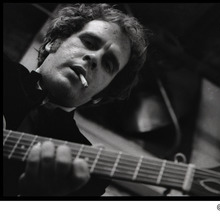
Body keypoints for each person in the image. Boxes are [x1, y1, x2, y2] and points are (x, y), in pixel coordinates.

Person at [3, 3, 148, 196]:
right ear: (53, 42)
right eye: (89, 43)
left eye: (108, 63)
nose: (94, 58)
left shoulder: (87, 175)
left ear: (101, 95)